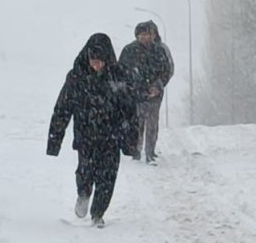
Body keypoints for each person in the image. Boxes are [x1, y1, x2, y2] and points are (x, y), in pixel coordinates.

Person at [47, 33, 139, 228]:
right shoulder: (76, 77)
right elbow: (62, 108)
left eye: (100, 62)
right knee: (85, 171)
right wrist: (54, 141)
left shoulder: (119, 77)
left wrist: (131, 140)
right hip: (86, 136)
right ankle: (83, 193)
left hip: (111, 136)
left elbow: (130, 110)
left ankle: (98, 213)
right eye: (93, 61)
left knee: (108, 177)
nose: (96, 65)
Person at [120, 21, 174, 164]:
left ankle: (150, 152)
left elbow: (166, 70)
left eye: (147, 34)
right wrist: (130, 88)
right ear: (137, 35)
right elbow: (122, 72)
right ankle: (135, 152)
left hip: (154, 94)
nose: (145, 37)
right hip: (135, 94)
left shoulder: (159, 51)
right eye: (142, 34)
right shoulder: (129, 51)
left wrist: (158, 86)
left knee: (152, 123)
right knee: (137, 122)